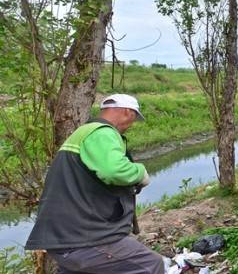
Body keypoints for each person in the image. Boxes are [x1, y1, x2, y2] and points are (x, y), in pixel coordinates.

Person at [26, 94, 164, 274]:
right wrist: (139, 172)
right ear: (127, 112)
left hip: (61, 240)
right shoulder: (102, 133)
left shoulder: (84, 133)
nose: (131, 124)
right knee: (151, 265)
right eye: (134, 118)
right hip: (83, 239)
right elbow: (113, 171)